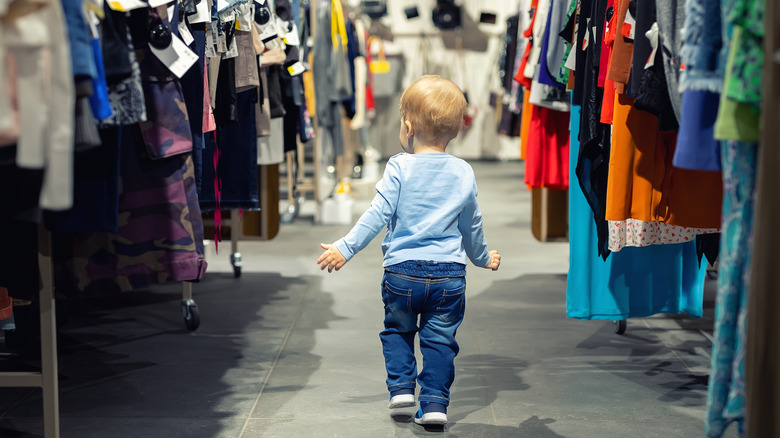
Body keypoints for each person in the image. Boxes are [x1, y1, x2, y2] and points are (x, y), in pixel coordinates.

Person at [316, 75, 501, 426]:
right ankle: (434, 405)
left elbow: (377, 215)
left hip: (402, 274)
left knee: (398, 331)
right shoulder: (463, 171)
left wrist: (345, 248)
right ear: (458, 130)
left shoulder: (399, 166)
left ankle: (401, 389)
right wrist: (482, 258)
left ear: (408, 126)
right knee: (440, 341)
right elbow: (471, 225)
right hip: (449, 277)